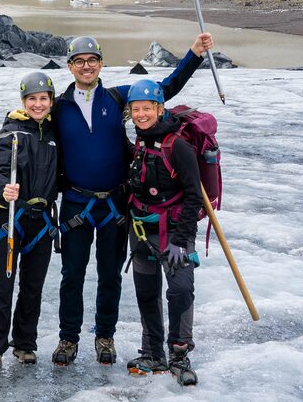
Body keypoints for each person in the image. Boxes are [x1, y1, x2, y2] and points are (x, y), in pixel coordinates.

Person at [52, 32, 213, 368]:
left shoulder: (117, 97)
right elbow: (35, 127)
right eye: (79, 61)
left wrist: (193, 55)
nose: (86, 66)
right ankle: (68, 338)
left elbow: (161, 90)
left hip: (114, 204)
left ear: (101, 64)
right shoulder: (58, 106)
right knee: (72, 274)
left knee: (110, 274)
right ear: (69, 66)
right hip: (75, 203)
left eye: (92, 60)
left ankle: (105, 336)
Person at [123, 78, 202, 386]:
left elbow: (194, 195)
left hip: (174, 233)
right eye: (136, 109)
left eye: (147, 108)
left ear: (159, 108)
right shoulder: (141, 141)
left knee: (180, 290)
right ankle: (153, 352)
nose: (142, 114)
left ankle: (179, 355)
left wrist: (182, 241)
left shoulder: (177, 145)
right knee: (146, 291)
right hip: (141, 230)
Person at [0, 71, 59, 368]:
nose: (38, 104)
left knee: (32, 286)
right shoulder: (10, 132)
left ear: (50, 100)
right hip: (10, 214)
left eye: (43, 99)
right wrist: (4, 188)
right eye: (32, 99)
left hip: (42, 220)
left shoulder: (54, 133)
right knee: (2, 283)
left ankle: (25, 343)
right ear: (23, 101)